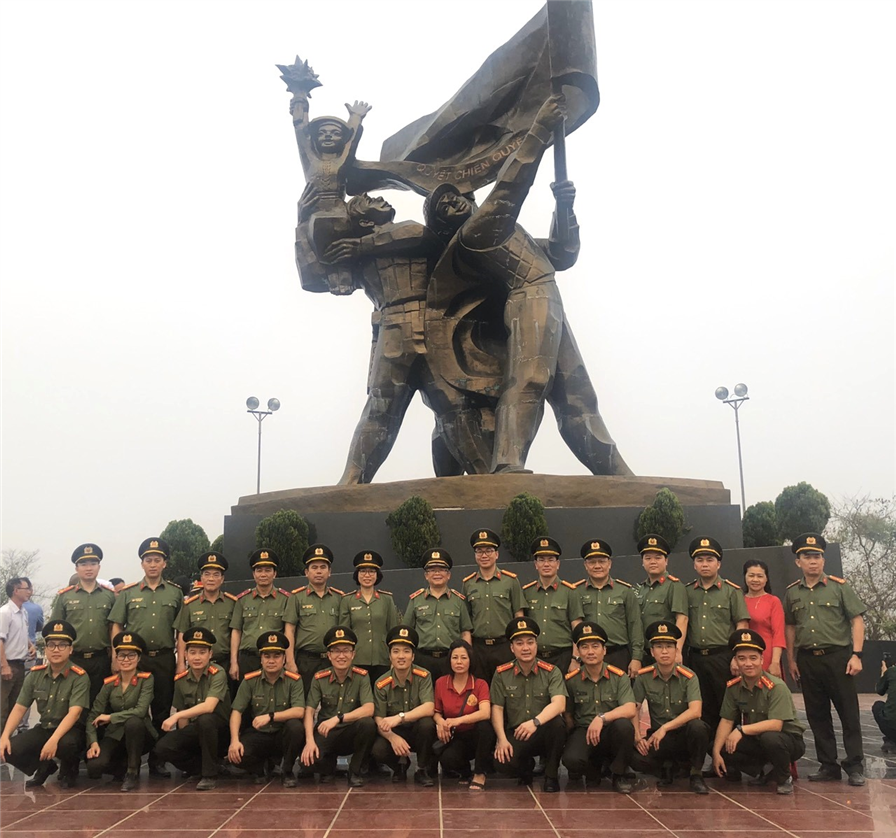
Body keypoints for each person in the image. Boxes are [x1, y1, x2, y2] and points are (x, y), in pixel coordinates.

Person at [423, 94, 628, 476]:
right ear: (443, 226)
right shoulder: (476, 234)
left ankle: (616, 473)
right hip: (529, 296)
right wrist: (540, 129)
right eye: (444, 205)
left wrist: (563, 208)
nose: (456, 202)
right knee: (531, 379)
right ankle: (507, 464)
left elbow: (562, 254)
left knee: (579, 398)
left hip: (547, 296)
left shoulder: (508, 234)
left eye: (458, 196)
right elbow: (508, 190)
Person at [784, 532, 866, 786]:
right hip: (808, 659)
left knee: (848, 713)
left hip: (838, 657)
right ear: (798, 562)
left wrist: (857, 654)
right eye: (807, 557)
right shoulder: (792, 593)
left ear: (823, 559)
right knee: (817, 715)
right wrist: (791, 659)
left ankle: (855, 765)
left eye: (817, 556)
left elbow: (857, 619)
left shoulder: (839, 587)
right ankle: (828, 765)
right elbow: (790, 627)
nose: (812, 561)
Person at [108, 537, 184, 777]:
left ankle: (157, 760)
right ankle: (127, 760)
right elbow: (116, 626)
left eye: (157, 560)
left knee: (161, 710)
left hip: (163, 658)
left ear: (165, 564)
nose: (153, 564)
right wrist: (115, 657)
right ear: (142, 564)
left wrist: (180, 661)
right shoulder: (128, 593)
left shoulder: (175, 593)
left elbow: (180, 630)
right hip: (134, 660)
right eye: (148, 560)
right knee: (131, 709)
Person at [712, 629, 806, 795]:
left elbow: (776, 725)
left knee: (770, 738)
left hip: (787, 740)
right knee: (721, 745)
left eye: (753, 658)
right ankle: (765, 769)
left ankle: (784, 777)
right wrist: (716, 753)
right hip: (758, 738)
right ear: (735, 661)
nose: (748, 663)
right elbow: (726, 720)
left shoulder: (776, 686)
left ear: (762, 660)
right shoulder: (734, 687)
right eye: (742, 658)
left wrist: (741, 730)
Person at [0, 620, 89, 788]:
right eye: (51, 645)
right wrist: (5, 735)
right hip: (45, 727)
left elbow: (74, 713)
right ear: (45, 649)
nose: (56, 649)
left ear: (71, 650)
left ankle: (70, 768)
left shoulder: (79, 676)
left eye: (62, 645)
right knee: (7, 748)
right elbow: (19, 708)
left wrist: (54, 740)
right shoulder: (35, 675)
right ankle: (45, 766)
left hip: (71, 730)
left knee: (66, 745)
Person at [632, 620, 710, 794]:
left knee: (699, 727)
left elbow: (695, 711)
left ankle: (696, 774)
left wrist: (665, 728)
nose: (664, 651)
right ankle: (667, 767)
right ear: (652, 652)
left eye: (669, 646)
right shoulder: (643, 677)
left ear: (676, 651)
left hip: (683, 735)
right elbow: (634, 708)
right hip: (660, 739)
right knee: (634, 756)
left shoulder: (689, 677)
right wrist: (638, 737)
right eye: (659, 647)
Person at [490, 617, 566, 792]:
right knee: (502, 763)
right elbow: (497, 708)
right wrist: (501, 739)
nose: (526, 648)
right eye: (519, 643)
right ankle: (526, 767)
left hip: (542, 729)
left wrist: (535, 722)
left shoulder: (551, 672)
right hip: (517, 732)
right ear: (512, 648)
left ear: (536, 645)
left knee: (558, 724)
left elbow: (559, 704)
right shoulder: (502, 673)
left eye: (530, 642)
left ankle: (551, 775)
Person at [561, 622, 636, 793]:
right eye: (585, 647)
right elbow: (568, 714)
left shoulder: (619, 677)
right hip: (584, 730)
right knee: (571, 759)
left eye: (595, 646)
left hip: (611, 731)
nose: (590, 652)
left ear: (604, 650)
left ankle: (619, 774)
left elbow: (630, 708)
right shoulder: (572, 680)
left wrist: (602, 718)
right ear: (578, 652)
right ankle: (594, 766)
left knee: (624, 726)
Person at [685, 536, 750, 730]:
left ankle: (729, 755)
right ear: (694, 564)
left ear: (718, 564)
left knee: (727, 707)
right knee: (701, 708)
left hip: (722, 657)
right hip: (695, 658)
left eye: (709, 560)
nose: (705, 564)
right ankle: (709, 754)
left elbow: (742, 624)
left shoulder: (732, 591)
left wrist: (737, 656)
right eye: (700, 560)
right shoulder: (687, 591)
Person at [154, 626, 231, 790]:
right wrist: (185, 738)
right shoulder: (181, 679)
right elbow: (183, 717)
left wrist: (174, 716)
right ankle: (202, 767)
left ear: (210, 654)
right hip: (197, 729)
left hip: (220, 732)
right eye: (193, 652)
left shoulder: (218, 673)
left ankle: (209, 776)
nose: (197, 657)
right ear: (185, 654)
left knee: (206, 719)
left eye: (202, 652)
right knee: (162, 748)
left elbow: (209, 706)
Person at [301, 625, 376, 787]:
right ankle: (328, 766)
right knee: (308, 764)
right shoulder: (319, 678)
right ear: (329, 655)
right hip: (326, 732)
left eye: (346, 650)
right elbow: (309, 711)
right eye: (336, 651)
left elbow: (369, 709)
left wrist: (338, 718)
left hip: (350, 732)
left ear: (353, 654)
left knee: (368, 724)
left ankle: (354, 771)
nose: (341, 656)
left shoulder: (361, 677)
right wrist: (309, 741)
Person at [228, 630, 305, 786]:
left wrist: (271, 716)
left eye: (276, 656)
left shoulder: (294, 680)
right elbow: (237, 711)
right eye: (267, 656)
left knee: (296, 727)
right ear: (261, 659)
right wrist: (234, 741)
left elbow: (299, 711)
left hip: (282, 734)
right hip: (259, 734)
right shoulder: (250, 680)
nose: (271, 661)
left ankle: (287, 771)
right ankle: (260, 769)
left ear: (284, 659)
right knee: (237, 756)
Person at [86, 631, 156, 791]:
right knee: (95, 767)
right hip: (116, 734)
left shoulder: (146, 679)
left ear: (139, 658)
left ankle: (132, 771)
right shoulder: (109, 683)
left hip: (140, 732)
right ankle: (122, 766)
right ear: (116, 658)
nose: (126, 660)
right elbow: (93, 715)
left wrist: (111, 717)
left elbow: (140, 711)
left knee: (133, 722)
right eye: (122, 655)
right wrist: (93, 742)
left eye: (131, 655)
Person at [371, 625, 437, 785]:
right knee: (377, 750)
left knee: (427, 724)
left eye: (406, 651)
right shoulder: (381, 683)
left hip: (416, 731)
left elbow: (429, 707)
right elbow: (378, 718)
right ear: (390, 656)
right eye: (396, 651)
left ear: (413, 656)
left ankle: (421, 769)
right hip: (394, 732)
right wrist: (392, 737)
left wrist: (400, 717)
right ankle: (400, 765)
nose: (401, 656)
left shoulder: (423, 676)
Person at [52, 543, 117, 703]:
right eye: (83, 564)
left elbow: (114, 628)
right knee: (72, 701)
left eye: (93, 564)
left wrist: (115, 657)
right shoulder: (64, 597)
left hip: (101, 659)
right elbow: (55, 631)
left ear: (99, 567)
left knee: (100, 702)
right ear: (76, 568)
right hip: (74, 658)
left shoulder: (109, 596)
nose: (89, 568)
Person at [463, 529, 525, 683]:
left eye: (489, 551)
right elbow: (466, 621)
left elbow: (519, 615)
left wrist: (519, 644)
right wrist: (469, 651)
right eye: (479, 551)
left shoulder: (510, 581)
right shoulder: (468, 584)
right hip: (478, 648)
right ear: (475, 555)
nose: (484, 555)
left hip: (504, 646)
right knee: (480, 692)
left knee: (508, 690)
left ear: (496, 554)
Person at [575, 538, 643, 676]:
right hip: (588, 656)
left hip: (618, 655)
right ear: (585, 565)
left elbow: (635, 625)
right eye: (592, 562)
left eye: (602, 561)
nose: (597, 566)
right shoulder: (576, 592)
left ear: (610, 563)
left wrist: (636, 658)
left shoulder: (625, 591)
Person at [283, 544, 344, 692]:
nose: (318, 571)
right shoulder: (296, 597)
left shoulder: (339, 598)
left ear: (329, 572)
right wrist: (290, 661)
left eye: (323, 567)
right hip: (306, 661)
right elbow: (289, 630)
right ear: (306, 572)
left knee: (332, 702)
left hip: (333, 660)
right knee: (305, 703)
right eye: (314, 567)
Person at [433, 639, 492, 790]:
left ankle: (480, 773)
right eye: (455, 657)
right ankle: (465, 772)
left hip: (476, 735)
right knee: (447, 759)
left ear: (470, 660)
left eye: (464, 658)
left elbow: (485, 713)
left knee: (485, 727)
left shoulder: (480, 684)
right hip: (455, 736)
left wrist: (458, 720)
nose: (459, 662)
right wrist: (440, 722)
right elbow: (436, 712)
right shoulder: (441, 683)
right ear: (449, 660)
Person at [404, 548, 472, 679]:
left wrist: (467, 658)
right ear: (426, 575)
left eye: (441, 570)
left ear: (448, 575)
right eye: (432, 570)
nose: (437, 573)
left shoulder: (458, 601)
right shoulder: (416, 600)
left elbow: (465, 632)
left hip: (450, 659)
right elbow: (407, 631)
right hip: (422, 659)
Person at [337, 550, 400, 683]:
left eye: (371, 571)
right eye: (363, 571)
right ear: (357, 575)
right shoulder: (347, 600)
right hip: (357, 658)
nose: (367, 575)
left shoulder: (386, 599)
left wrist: (394, 657)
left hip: (381, 658)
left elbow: (393, 631)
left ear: (377, 575)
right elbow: (344, 633)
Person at [522, 537, 582, 675]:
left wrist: (576, 659)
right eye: (541, 560)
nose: (546, 564)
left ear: (558, 564)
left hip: (563, 657)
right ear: (535, 564)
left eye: (550, 559)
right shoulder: (527, 592)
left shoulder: (570, 591)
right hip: (535, 658)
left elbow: (577, 628)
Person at [230, 549, 291, 681]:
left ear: (275, 574)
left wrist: (288, 659)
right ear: (253, 574)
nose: (263, 574)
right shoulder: (242, 599)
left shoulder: (286, 599)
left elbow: (288, 631)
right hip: (247, 659)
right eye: (259, 570)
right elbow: (236, 631)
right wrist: (234, 662)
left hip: (274, 659)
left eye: (268, 570)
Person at [175, 552, 238, 672]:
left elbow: (235, 633)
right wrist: (181, 663)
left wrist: (233, 662)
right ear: (201, 578)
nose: (211, 579)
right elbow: (182, 634)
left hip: (224, 663)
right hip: (197, 666)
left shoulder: (232, 603)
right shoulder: (190, 605)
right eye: (207, 574)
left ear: (222, 579)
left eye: (216, 575)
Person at [635, 534, 688, 664]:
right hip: (645, 652)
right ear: (642, 562)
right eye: (648, 558)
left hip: (666, 653)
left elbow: (682, 619)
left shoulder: (674, 586)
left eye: (658, 558)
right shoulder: (641, 589)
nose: (653, 562)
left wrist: (677, 650)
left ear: (666, 561)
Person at [1, 578, 35, 735]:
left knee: (16, 708)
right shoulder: (5, 612)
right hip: (7, 665)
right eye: (26, 588)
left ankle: (8, 743)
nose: (30, 591)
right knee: (2, 709)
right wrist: (4, 666)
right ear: (16, 590)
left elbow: (21, 634)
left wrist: (30, 645)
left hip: (21, 665)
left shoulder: (24, 612)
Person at [742, 560, 785, 677]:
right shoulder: (738, 600)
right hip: (743, 658)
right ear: (745, 577)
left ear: (766, 579)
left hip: (767, 656)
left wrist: (775, 662)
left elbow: (778, 634)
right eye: (751, 575)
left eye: (760, 576)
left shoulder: (773, 601)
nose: (755, 580)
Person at [873, 657, 896, 753]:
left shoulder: (892, 671)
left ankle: (892, 739)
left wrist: (884, 674)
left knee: (878, 706)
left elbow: (879, 690)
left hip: (892, 724)